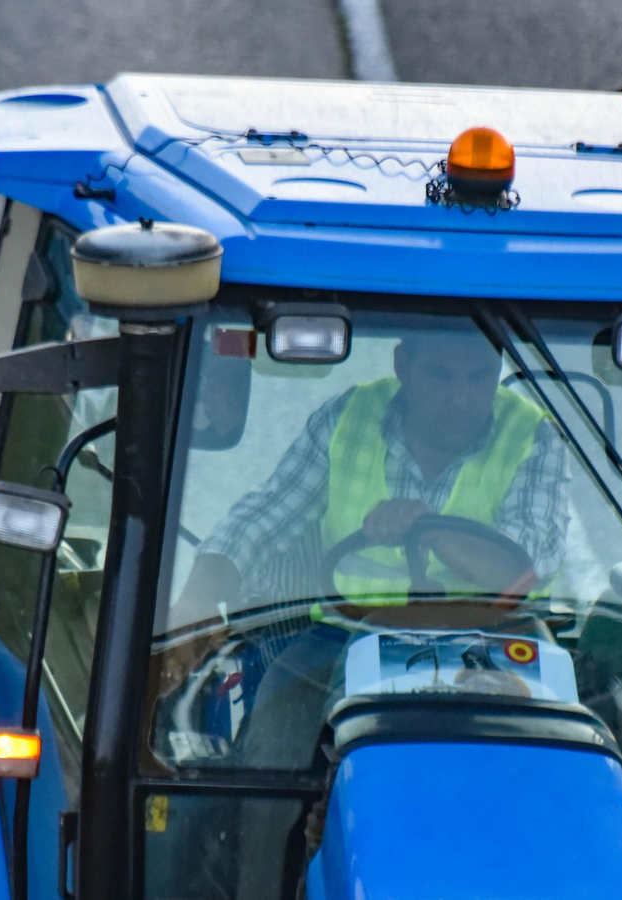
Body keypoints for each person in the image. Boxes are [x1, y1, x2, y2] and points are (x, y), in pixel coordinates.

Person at [172, 328, 571, 900]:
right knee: (271, 753)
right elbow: (262, 517)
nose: (462, 397)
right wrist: (193, 602)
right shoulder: (348, 418)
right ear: (403, 363)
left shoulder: (533, 435)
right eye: (441, 377)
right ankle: (263, 888)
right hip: (343, 636)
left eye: (478, 377)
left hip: (491, 644)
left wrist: (425, 528)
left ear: (499, 368)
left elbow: (528, 560)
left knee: (542, 769)